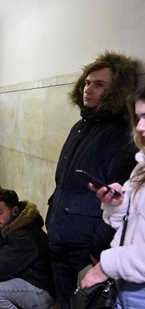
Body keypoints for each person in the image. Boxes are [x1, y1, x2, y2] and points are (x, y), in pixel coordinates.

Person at [45, 51, 137, 308]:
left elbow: (119, 196)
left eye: (99, 85)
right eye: (87, 82)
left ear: (115, 91)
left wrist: (97, 245)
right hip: (61, 233)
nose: (89, 89)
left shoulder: (119, 134)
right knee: (65, 301)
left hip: (85, 243)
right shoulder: (81, 126)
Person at [80, 86, 145, 308]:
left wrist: (107, 265)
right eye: (138, 117)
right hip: (127, 279)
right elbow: (132, 223)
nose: (139, 126)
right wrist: (117, 205)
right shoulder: (142, 166)